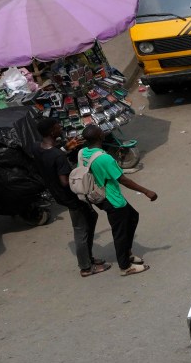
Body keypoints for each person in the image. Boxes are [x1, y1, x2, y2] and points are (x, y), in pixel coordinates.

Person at [77, 124, 157, 275]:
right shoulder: (105, 158)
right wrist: (147, 191)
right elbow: (123, 180)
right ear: (101, 137)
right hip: (112, 198)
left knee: (133, 217)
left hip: (97, 197)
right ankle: (125, 266)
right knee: (120, 232)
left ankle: (127, 252)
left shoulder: (83, 152)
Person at [31, 116, 105, 277]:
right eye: (58, 126)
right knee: (81, 230)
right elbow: (65, 182)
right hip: (72, 198)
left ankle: (89, 258)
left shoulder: (37, 148)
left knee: (90, 219)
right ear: (52, 131)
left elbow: (49, 158)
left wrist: (65, 149)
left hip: (58, 195)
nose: (60, 128)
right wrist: (83, 176)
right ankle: (86, 267)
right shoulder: (58, 156)